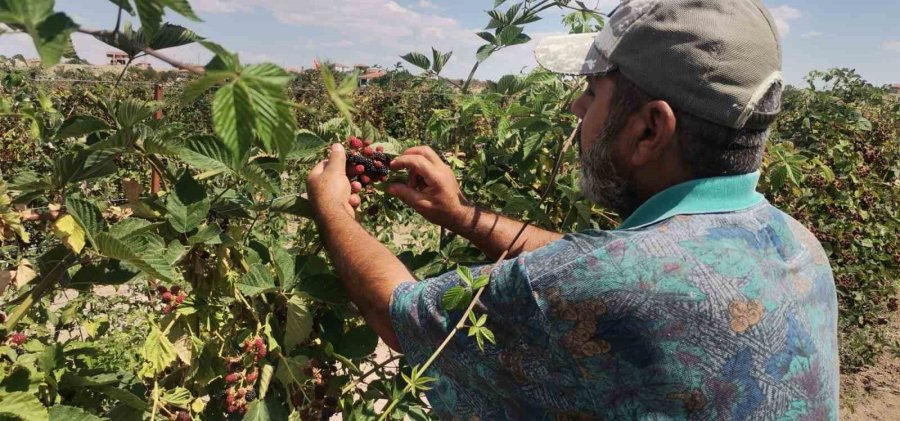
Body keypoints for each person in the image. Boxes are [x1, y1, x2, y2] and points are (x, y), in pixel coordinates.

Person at [306, 0, 839, 418]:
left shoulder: (604, 286)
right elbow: (604, 264)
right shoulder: (797, 243)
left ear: (649, 129)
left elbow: (401, 315)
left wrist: (333, 210)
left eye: (590, 91)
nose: (575, 108)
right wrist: (461, 216)